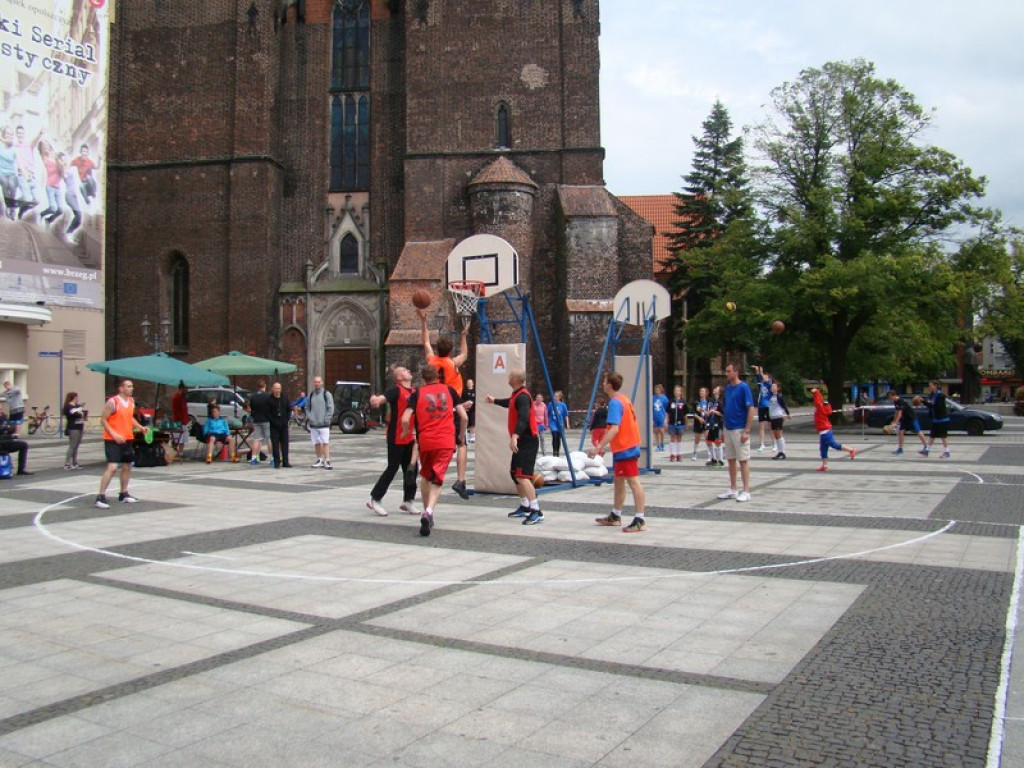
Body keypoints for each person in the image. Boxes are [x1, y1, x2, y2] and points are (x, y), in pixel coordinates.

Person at [401, 364, 467, 537]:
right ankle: (428, 512)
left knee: (426, 475)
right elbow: (464, 416)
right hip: (445, 440)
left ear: (423, 378)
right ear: (437, 376)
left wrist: (406, 432)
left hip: (425, 441)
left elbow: (406, 418)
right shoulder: (449, 390)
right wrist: (460, 433)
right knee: (438, 478)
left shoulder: (417, 394)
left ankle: (426, 511)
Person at [418, 307, 470, 498]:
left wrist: (423, 321)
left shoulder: (431, 360)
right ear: (450, 351)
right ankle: (460, 480)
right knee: (461, 444)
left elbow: (425, 341)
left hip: (433, 409)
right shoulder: (453, 363)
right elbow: (465, 353)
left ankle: (429, 471)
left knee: (432, 441)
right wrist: (464, 335)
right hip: (452, 408)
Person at [588, 372, 646, 532]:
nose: (602, 384)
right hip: (627, 446)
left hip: (625, 447)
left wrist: (598, 446)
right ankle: (615, 515)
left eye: (604, 381)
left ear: (609, 385)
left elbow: (614, 429)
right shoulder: (624, 399)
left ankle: (640, 518)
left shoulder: (614, 403)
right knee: (619, 480)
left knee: (634, 482)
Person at [487, 370, 543, 525]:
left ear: (517, 380)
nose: (508, 378)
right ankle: (525, 506)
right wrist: (494, 401)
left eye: (511, 376)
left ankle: (536, 510)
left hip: (527, 441)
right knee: (515, 473)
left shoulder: (523, 397)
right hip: (522, 440)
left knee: (523, 476)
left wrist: (515, 436)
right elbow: (509, 403)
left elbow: (524, 418)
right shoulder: (516, 395)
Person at [367, 366, 419, 516]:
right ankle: (375, 499)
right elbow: (382, 399)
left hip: (409, 436)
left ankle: (408, 500)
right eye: (404, 370)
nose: (408, 370)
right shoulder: (395, 390)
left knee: (411, 469)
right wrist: (376, 400)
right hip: (396, 436)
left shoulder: (415, 392)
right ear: (399, 377)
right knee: (392, 468)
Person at [95, 379, 146, 508]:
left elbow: (129, 417)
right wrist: (114, 434)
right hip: (112, 439)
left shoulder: (131, 401)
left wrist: (140, 427)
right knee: (112, 467)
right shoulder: (113, 402)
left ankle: (124, 493)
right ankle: (100, 496)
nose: (131, 388)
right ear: (121, 388)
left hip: (127, 438)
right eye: (128, 386)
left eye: (132, 386)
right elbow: (103, 420)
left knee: (127, 466)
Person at [716, 363, 755, 501]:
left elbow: (750, 408)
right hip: (729, 427)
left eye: (728, 371)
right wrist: (724, 428)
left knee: (743, 459)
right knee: (731, 459)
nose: (726, 374)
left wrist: (747, 430)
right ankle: (733, 488)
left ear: (736, 372)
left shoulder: (743, 387)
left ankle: (746, 490)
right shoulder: (728, 389)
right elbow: (726, 408)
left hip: (740, 428)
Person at [811, 388, 856, 471]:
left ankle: (851, 450)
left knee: (834, 445)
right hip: (824, 432)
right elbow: (819, 401)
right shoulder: (824, 409)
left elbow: (817, 401)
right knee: (823, 449)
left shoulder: (820, 409)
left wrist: (816, 392)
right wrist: (817, 393)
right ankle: (824, 466)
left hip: (825, 432)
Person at [304, 376, 335, 469]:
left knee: (325, 442)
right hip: (314, 423)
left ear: (321, 383)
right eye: (315, 382)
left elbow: (331, 407)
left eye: (318, 382)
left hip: (324, 424)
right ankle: (319, 459)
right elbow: (307, 407)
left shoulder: (326, 394)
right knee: (316, 442)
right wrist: (310, 416)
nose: (316, 383)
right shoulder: (311, 394)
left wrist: (327, 418)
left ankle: (327, 460)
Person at [886, 390, 928, 455]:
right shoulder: (895, 402)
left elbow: (899, 414)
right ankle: (900, 449)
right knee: (901, 432)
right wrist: (893, 422)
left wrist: (895, 424)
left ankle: (926, 447)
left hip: (911, 417)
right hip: (905, 418)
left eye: (890, 397)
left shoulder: (900, 401)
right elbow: (896, 412)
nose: (890, 398)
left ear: (893, 395)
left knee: (918, 431)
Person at [0, 407, 33, 476]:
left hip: (7, 440)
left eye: (1, 408)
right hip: (2, 442)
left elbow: (12, 428)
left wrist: (6, 429)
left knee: (23, 445)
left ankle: (21, 469)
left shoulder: (4, 417)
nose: (0, 409)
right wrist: (6, 429)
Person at [922, 380, 951, 458]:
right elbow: (931, 405)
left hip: (942, 419)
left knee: (943, 436)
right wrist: (925, 402)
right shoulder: (932, 395)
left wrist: (924, 402)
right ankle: (927, 450)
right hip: (935, 419)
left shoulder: (940, 396)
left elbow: (936, 407)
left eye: (930, 385)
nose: (929, 387)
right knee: (932, 435)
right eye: (929, 386)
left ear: (935, 386)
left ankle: (947, 451)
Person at [246, 380, 272, 465]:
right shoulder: (268, 396)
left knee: (257, 439)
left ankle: (253, 458)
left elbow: (251, 408)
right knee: (269, 439)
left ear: (257, 386)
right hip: (266, 419)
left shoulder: (253, 397)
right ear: (265, 386)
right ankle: (273, 458)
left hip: (256, 420)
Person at [268, 382, 292, 468]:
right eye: (276, 388)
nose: (277, 390)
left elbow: (289, 410)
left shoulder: (285, 398)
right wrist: (273, 421)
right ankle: (276, 461)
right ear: (273, 389)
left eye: (279, 388)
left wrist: (286, 420)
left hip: (284, 424)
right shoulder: (269, 399)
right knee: (275, 444)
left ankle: (285, 461)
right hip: (274, 425)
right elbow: (267, 413)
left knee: (285, 443)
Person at [63, 391, 87, 469]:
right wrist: (79, 409)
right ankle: (67, 463)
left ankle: (74, 462)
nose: (77, 399)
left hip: (79, 426)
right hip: (73, 427)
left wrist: (83, 414)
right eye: (76, 397)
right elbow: (72, 412)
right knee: (72, 445)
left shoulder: (77, 406)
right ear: (72, 398)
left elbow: (82, 415)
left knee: (76, 446)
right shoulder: (68, 406)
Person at [768, 381, 791, 460]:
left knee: (779, 435)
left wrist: (788, 413)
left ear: (778, 388)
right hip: (773, 418)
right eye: (772, 386)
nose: (772, 388)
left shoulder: (779, 397)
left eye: (774, 386)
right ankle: (779, 452)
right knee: (776, 436)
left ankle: (782, 452)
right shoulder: (771, 397)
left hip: (778, 417)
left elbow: (784, 405)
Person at [753, 365, 773, 452]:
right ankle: (762, 444)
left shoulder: (769, 384)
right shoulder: (761, 384)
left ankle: (774, 443)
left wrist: (761, 372)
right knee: (761, 426)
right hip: (761, 406)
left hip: (768, 406)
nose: (763, 378)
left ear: (769, 379)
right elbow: (758, 377)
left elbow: (763, 378)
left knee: (770, 426)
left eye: (765, 377)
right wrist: (757, 371)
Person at [666, 385, 688, 462]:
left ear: (681, 392)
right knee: (672, 438)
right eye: (675, 390)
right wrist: (666, 421)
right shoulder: (671, 401)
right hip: (672, 422)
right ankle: (672, 454)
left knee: (679, 439)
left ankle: (679, 454)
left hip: (681, 422)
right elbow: (668, 412)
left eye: (678, 390)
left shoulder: (683, 402)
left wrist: (686, 424)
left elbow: (685, 414)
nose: (676, 392)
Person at [704, 386, 724, 466]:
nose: (714, 389)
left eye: (716, 389)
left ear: (719, 392)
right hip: (711, 423)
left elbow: (722, 414)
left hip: (717, 424)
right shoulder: (713, 401)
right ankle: (713, 458)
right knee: (709, 441)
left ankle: (721, 460)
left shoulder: (720, 402)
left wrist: (713, 411)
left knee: (717, 442)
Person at [548, 390, 569, 457]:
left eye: (556, 396)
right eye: (554, 396)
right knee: (554, 436)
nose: (554, 397)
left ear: (559, 397)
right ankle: (554, 451)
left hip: (560, 424)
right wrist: (547, 422)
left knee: (558, 438)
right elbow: (547, 413)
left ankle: (557, 452)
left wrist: (567, 424)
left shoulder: (563, 405)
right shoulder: (551, 404)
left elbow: (566, 415)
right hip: (553, 423)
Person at [170, 383, 190, 455]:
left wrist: (187, 419)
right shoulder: (176, 398)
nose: (187, 390)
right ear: (181, 389)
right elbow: (176, 411)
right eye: (186, 388)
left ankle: (181, 453)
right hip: (178, 422)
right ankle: (173, 452)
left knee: (183, 439)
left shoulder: (183, 398)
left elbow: (185, 410)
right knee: (176, 439)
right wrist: (180, 420)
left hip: (184, 421)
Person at [690, 387, 710, 461]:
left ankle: (709, 454)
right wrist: (699, 418)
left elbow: (710, 411)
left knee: (707, 437)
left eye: (703, 391)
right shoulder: (696, 402)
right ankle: (695, 453)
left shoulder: (709, 402)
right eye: (700, 391)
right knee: (697, 438)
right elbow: (693, 412)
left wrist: (707, 414)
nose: (701, 393)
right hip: (698, 422)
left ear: (706, 393)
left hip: (706, 422)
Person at [652, 384, 669, 451]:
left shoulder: (664, 398)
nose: (657, 391)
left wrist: (666, 418)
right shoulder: (653, 398)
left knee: (661, 430)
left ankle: (662, 443)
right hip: (655, 416)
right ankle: (658, 444)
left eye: (658, 389)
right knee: (656, 431)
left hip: (662, 416)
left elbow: (666, 408)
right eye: (656, 390)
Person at [463, 378, 477, 444]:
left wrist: (472, 403)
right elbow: (461, 400)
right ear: (466, 384)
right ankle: (467, 436)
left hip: (473, 409)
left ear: (473, 383)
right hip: (466, 410)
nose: (469, 384)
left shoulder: (475, 391)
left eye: (470, 383)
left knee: (472, 422)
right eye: (468, 383)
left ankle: (473, 436)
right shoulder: (464, 392)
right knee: (466, 422)